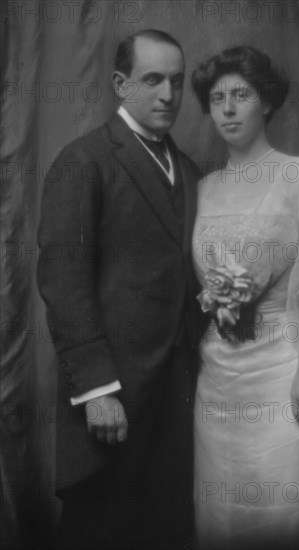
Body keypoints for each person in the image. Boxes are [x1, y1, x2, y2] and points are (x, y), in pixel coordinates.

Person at [37, 29, 201, 550]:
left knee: (165, 529)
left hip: (178, 392)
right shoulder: (83, 161)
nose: (168, 95)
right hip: (113, 396)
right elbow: (64, 281)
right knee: (103, 531)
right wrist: (97, 390)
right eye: (152, 80)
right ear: (120, 84)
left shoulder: (192, 171)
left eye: (176, 82)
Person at [191, 46, 299, 549]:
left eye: (240, 94)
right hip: (218, 379)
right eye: (217, 98)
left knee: (288, 504)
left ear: (265, 101)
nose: (227, 108)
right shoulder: (203, 190)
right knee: (224, 510)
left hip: (285, 368)